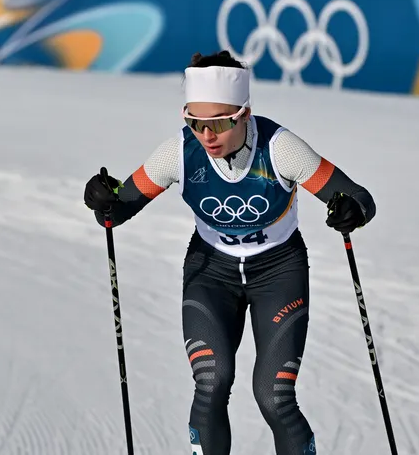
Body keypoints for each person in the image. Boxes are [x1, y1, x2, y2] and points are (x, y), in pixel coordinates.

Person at [82, 50, 376, 455]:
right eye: (195, 122)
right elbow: (116, 209)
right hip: (211, 272)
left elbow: (359, 197)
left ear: (245, 113)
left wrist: (351, 210)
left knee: (274, 396)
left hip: (278, 270)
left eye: (219, 122)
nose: (207, 135)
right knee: (212, 380)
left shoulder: (281, 149)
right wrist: (102, 198)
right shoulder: (178, 154)